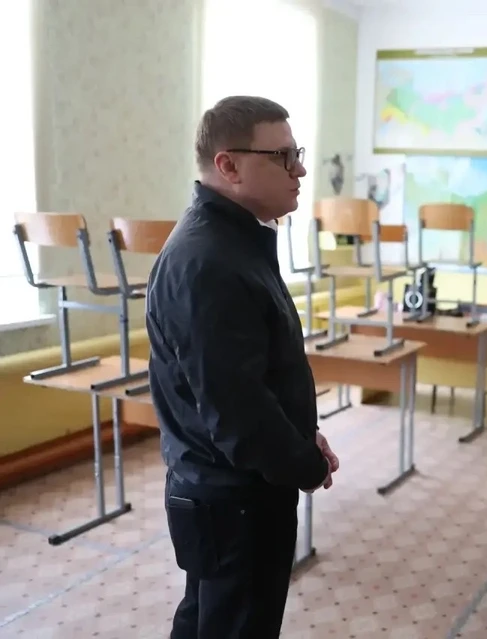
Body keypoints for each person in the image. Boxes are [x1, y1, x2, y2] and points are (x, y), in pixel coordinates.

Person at [146, 95, 339, 638]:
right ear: (228, 165)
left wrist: (302, 436)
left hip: (229, 491)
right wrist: (305, 464)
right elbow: (238, 416)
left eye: (298, 154)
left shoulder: (234, 239)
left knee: (208, 622)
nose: (299, 170)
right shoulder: (209, 261)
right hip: (233, 501)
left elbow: (256, 374)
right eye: (283, 157)